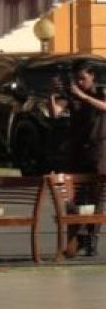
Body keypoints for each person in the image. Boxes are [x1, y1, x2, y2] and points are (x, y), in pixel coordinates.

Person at [66, 61, 105, 256]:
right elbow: (57, 113)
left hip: (98, 151)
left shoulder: (101, 92)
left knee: (96, 197)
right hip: (77, 150)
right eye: (76, 79)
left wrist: (82, 96)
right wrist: (54, 95)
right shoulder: (73, 95)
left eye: (83, 78)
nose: (79, 83)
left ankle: (92, 239)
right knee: (76, 197)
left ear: (92, 77)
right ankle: (78, 238)